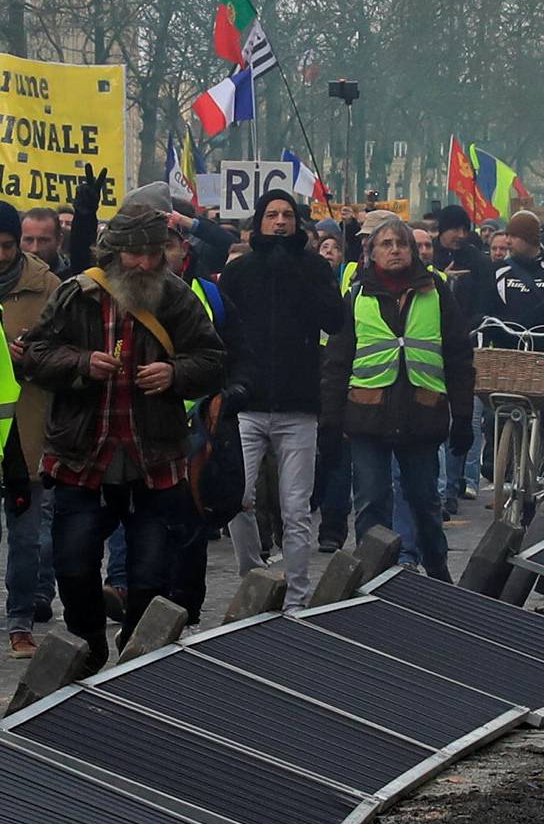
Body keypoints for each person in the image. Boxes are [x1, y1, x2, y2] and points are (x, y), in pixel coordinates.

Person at [18, 198, 225, 668]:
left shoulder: (176, 297)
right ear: (112, 252)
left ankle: (134, 660)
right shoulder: (76, 294)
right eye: (133, 253)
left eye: (152, 252)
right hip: (82, 456)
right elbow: (35, 355)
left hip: (153, 459)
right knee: (72, 566)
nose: (143, 262)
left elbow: (212, 360)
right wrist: (80, 364)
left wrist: (175, 374)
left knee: (150, 575)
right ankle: (87, 649)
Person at [319, 211, 474, 583]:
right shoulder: (356, 297)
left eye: (401, 244)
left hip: (423, 415)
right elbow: (337, 364)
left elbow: (458, 357)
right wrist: (330, 422)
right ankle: (373, 579)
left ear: (415, 252)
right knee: (371, 501)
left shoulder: (437, 294)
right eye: (386, 244)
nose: (395, 251)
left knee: (424, 501)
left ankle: (438, 573)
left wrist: (464, 417)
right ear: (371, 253)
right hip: (367, 417)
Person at [219, 187, 345, 613]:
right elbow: (224, 335)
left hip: (298, 405)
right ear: (259, 222)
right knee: (236, 498)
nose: (279, 222)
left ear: (297, 222)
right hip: (248, 405)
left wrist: (320, 276)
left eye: (286, 214)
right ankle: (253, 578)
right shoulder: (239, 272)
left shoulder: (312, 267)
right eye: (271, 214)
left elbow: (337, 321)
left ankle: (297, 597)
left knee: (296, 510)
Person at [0, 199, 59, 655]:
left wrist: (31, 356)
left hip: (27, 430)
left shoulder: (47, 287)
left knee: (26, 538)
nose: (1, 255)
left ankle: (20, 622)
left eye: (7, 245)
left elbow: (66, 353)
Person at [493, 211, 544, 328]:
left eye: (513, 236)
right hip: (506, 343)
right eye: (507, 235)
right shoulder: (497, 271)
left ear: (530, 239)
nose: (507, 241)